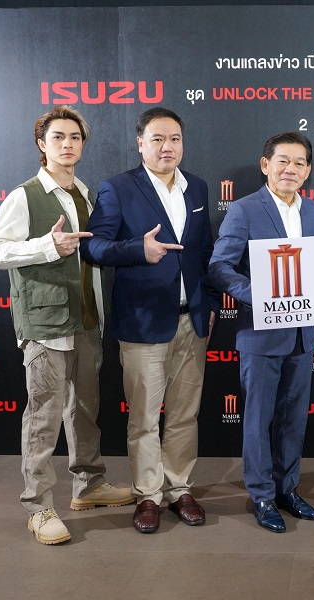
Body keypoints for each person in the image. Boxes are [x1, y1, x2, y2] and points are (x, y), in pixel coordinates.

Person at [0, 106, 133, 545]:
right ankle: (38, 506)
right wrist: (46, 246)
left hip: (87, 319)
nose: (67, 144)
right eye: (58, 137)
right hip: (46, 325)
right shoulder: (24, 196)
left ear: (83, 145)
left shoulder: (86, 194)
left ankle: (89, 485)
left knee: (85, 409)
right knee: (44, 418)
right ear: (42, 144)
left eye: (75, 137)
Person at [81, 107, 217, 534]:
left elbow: (206, 252)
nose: (166, 147)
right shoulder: (118, 187)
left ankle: (179, 489)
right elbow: (93, 247)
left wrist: (210, 304)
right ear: (140, 143)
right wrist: (137, 250)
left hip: (192, 322)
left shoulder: (197, 187)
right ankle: (147, 495)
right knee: (143, 417)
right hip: (142, 323)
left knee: (184, 414)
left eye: (174, 139)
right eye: (157, 139)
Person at [209, 132, 314, 533]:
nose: (290, 169)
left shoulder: (313, 212)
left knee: (293, 419)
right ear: (266, 165)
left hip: (303, 333)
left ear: (308, 171)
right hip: (261, 334)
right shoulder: (244, 209)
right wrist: (258, 293)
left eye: (299, 163)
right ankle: (262, 494)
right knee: (258, 418)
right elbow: (219, 267)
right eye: (283, 161)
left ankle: (287, 489)